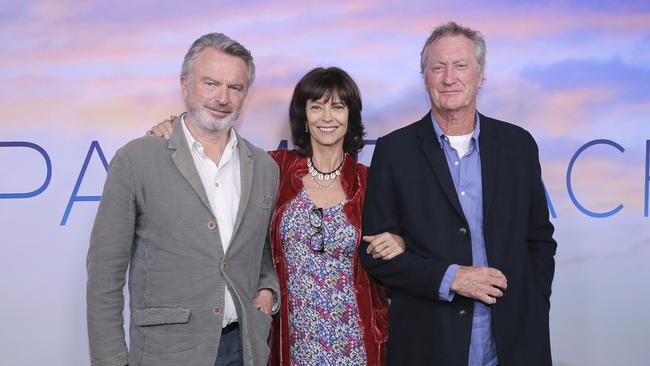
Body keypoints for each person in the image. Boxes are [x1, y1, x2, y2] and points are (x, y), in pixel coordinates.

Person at [149, 67, 405, 365]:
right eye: (316, 106)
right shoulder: (275, 168)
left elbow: (396, 248)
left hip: (356, 342)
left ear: (350, 118)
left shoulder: (369, 182)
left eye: (337, 107)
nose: (327, 117)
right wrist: (174, 127)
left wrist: (399, 242)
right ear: (304, 117)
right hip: (290, 339)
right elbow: (217, 151)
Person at [359, 22, 557, 366]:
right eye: (438, 67)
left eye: (461, 65)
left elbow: (539, 239)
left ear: (480, 76)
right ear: (426, 77)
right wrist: (452, 278)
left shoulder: (518, 145)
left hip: (514, 343)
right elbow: (376, 255)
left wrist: (535, 302)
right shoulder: (395, 151)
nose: (449, 77)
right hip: (429, 344)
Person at [87, 33, 280, 366]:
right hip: (166, 352)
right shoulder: (137, 159)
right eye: (210, 83)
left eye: (235, 88)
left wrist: (267, 291)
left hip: (243, 348)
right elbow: (105, 276)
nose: (222, 98)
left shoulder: (263, 166)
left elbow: (262, 249)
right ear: (185, 85)